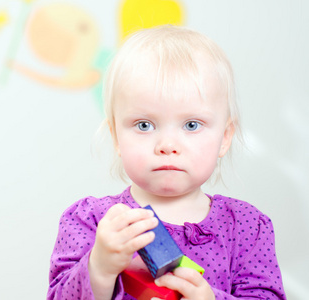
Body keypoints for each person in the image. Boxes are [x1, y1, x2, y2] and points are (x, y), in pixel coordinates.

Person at [47, 25, 286, 300]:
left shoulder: (248, 228)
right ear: (115, 136)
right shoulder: (90, 222)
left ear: (225, 137)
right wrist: (99, 268)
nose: (167, 145)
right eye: (144, 125)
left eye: (192, 124)